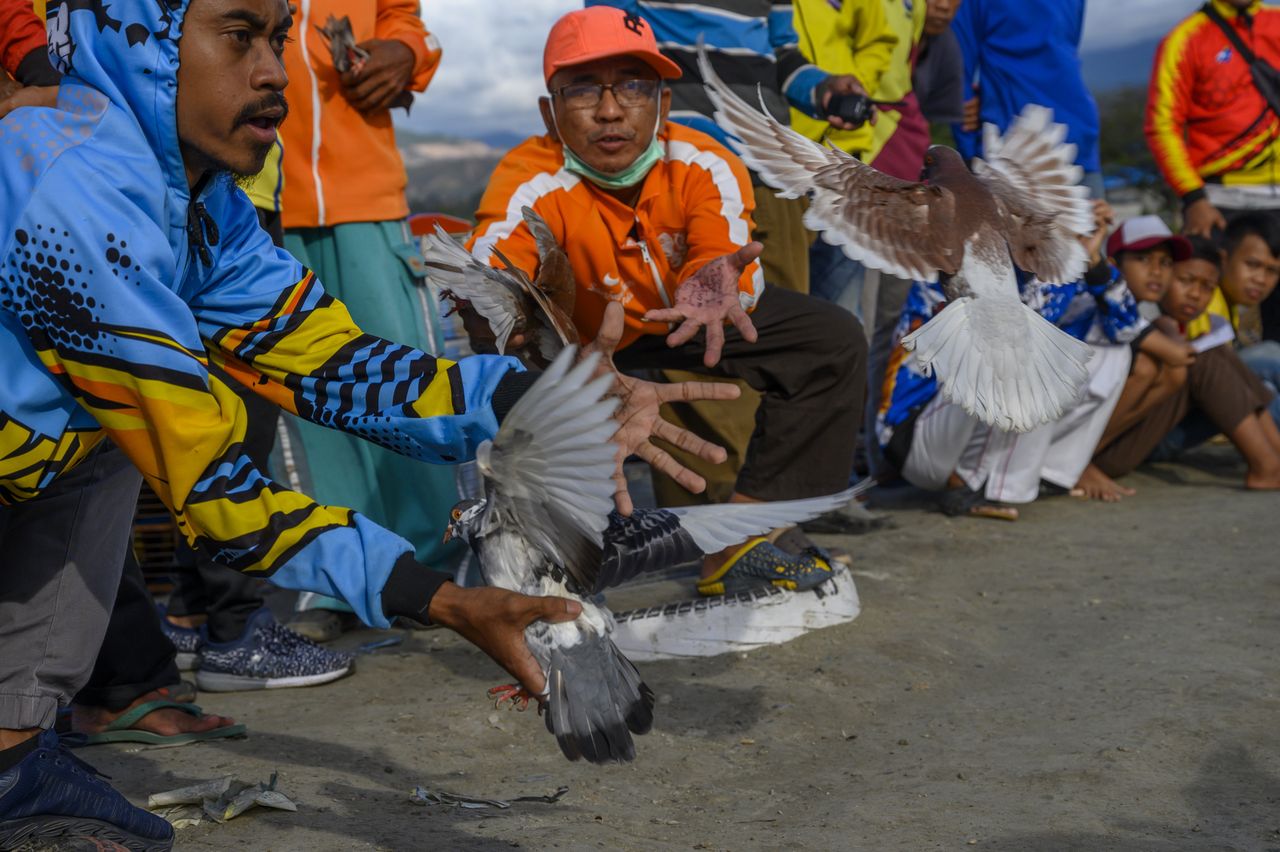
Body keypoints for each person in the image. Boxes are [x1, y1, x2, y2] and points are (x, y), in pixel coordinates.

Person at [0, 0, 732, 845]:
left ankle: (13, 757)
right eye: (239, 37)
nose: (276, 70)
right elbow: (211, 483)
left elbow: (333, 361)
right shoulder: (68, 195)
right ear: (148, 42)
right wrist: (443, 600)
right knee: (138, 433)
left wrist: (540, 395)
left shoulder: (197, 198)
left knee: (103, 444)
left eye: (278, 39)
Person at [467, 7, 866, 595]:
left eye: (634, 86)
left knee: (829, 340)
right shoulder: (530, 176)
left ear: (665, 104)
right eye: (581, 87)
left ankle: (741, 538)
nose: (610, 109)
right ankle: (534, 563)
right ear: (548, 113)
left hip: (684, 316)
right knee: (507, 368)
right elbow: (491, 272)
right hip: (586, 347)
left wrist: (712, 280)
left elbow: (721, 247)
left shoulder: (704, 159)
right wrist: (501, 323)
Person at [585, 0, 872, 519]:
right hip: (677, 176)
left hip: (770, 180)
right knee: (698, 369)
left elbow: (783, 59)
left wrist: (823, 88)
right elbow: (607, 52)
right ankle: (701, 534)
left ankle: (766, 529)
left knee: (780, 354)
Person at [273, 0, 470, 641]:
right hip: (260, 199)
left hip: (367, 200)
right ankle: (337, 583)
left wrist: (408, 54)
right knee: (302, 406)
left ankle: (435, 570)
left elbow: (404, 18)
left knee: (401, 382)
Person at [1147, 0, 1280, 344]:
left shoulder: (1276, 22)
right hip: (1219, 203)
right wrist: (1194, 197)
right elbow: (1162, 125)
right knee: (1207, 321)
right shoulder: (1185, 40)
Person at [951, 0, 1103, 198]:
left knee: (1091, 227)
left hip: (1068, 142)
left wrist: (971, 152)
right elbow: (956, 76)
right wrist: (973, 154)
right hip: (1014, 154)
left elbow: (957, 73)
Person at [1182, 214, 1280, 428]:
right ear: (1223, 259)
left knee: (1268, 389)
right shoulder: (1206, 303)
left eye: (1272, 271)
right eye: (1252, 264)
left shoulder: (1229, 305)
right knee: (1272, 356)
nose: (1261, 279)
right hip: (1171, 425)